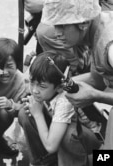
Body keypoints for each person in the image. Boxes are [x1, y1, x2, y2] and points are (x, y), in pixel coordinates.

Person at [40, 0, 113, 149]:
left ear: (83, 23)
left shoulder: (110, 49)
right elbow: (96, 79)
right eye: (55, 25)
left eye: (62, 26)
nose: (56, 33)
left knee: (105, 158)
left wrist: (95, 96)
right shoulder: (99, 27)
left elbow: (96, 87)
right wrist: (54, 86)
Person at [18, 51, 101, 166]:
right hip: (61, 128)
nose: (34, 90)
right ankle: (43, 161)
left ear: (59, 88)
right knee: (25, 113)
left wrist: (38, 114)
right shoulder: (46, 86)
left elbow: (51, 146)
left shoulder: (64, 101)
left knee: (69, 135)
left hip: (91, 145)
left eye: (42, 86)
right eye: (32, 82)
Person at [0, 37, 28, 156]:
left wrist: (10, 104)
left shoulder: (20, 80)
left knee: (6, 113)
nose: (4, 72)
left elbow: (21, 107)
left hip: (1, 114)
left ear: (17, 64)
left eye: (9, 66)